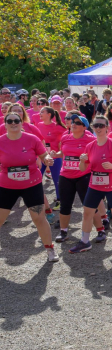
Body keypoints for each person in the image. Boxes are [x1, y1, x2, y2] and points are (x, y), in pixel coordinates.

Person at [68, 116, 112, 253]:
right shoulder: (90, 146)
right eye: (96, 125)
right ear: (92, 127)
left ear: (107, 128)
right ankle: (85, 242)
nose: (98, 128)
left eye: (101, 126)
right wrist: (81, 161)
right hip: (95, 184)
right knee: (87, 213)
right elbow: (82, 168)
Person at [0, 110, 58, 262]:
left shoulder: (31, 139)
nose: (13, 123)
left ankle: (50, 248)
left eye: (16, 121)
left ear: (21, 123)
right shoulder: (1, 141)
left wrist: (48, 159)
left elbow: (44, 154)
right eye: (10, 121)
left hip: (31, 183)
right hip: (7, 186)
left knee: (39, 218)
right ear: (5, 124)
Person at [53, 114, 105, 244]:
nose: (73, 124)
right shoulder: (65, 137)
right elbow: (63, 153)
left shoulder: (90, 139)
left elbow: (98, 154)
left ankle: (100, 230)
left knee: (89, 206)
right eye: (72, 121)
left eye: (77, 122)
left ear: (84, 127)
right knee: (65, 205)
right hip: (65, 175)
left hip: (84, 176)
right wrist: (55, 155)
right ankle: (63, 231)